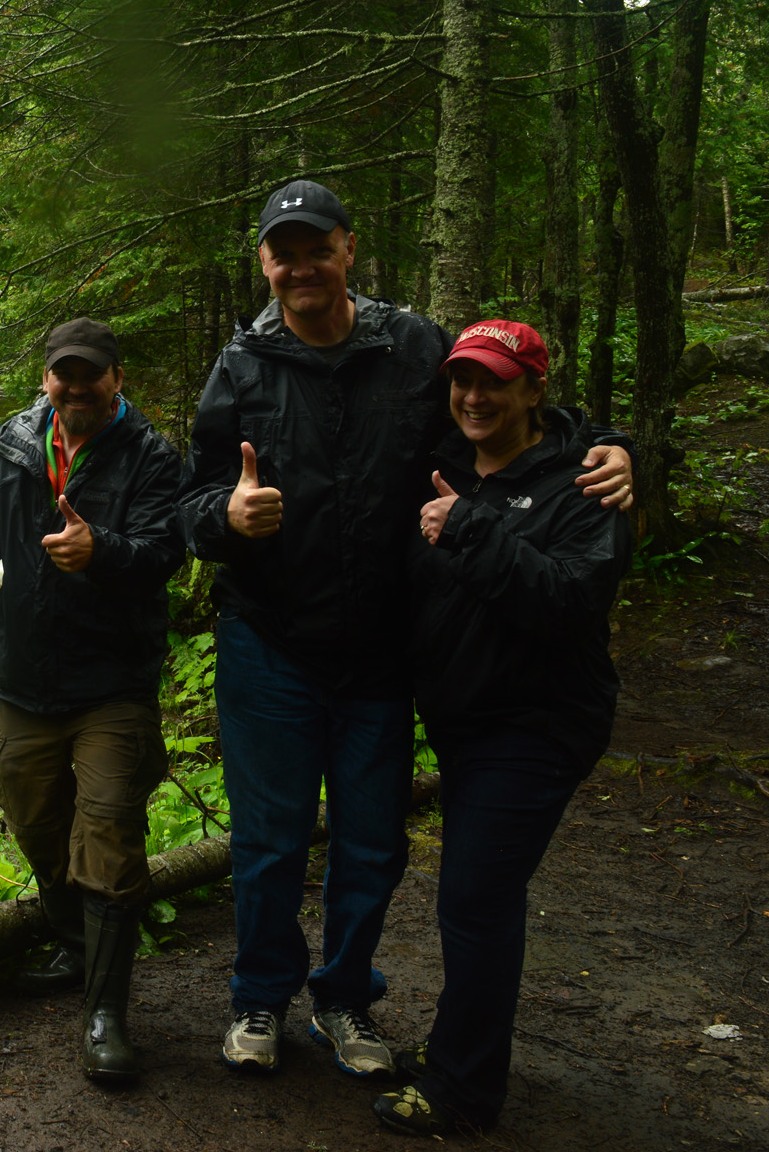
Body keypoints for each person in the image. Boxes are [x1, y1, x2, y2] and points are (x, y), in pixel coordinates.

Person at [177, 179, 633, 1079]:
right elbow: (186, 503)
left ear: (349, 249)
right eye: (284, 251)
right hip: (269, 639)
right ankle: (260, 996)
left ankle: (344, 997)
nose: (301, 265)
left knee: (373, 840)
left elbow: (498, 412)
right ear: (265, 263)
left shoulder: (413, 345)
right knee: (269, 841)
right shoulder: (241, 365)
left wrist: (614, 444)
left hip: (384, 647)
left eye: (318, 247)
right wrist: (224, 517)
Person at [372, 320, 631, 1134]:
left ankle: (463, 1088)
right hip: (466, 719)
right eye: (463, 380)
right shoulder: (443, 456)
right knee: (480, 897)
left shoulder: (584, 484)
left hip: (539, 722)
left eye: (494, 381)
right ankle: (465, 1058)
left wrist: (474, 528)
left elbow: (570, 602)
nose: (474, 396)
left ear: (533, 388)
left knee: (477, 899)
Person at [0, 316, 183, 1082]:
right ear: (46, 380)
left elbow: (167, 552)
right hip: (26, 679)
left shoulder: (151, 455)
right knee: (35, 822)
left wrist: (101, 552)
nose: (75, 388)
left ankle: (106, 1013)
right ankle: (73, 945)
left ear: (116, 380)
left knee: (106, 835)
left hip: (113, 683)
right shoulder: (13, 443)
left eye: (90, 375)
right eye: (63, 375)